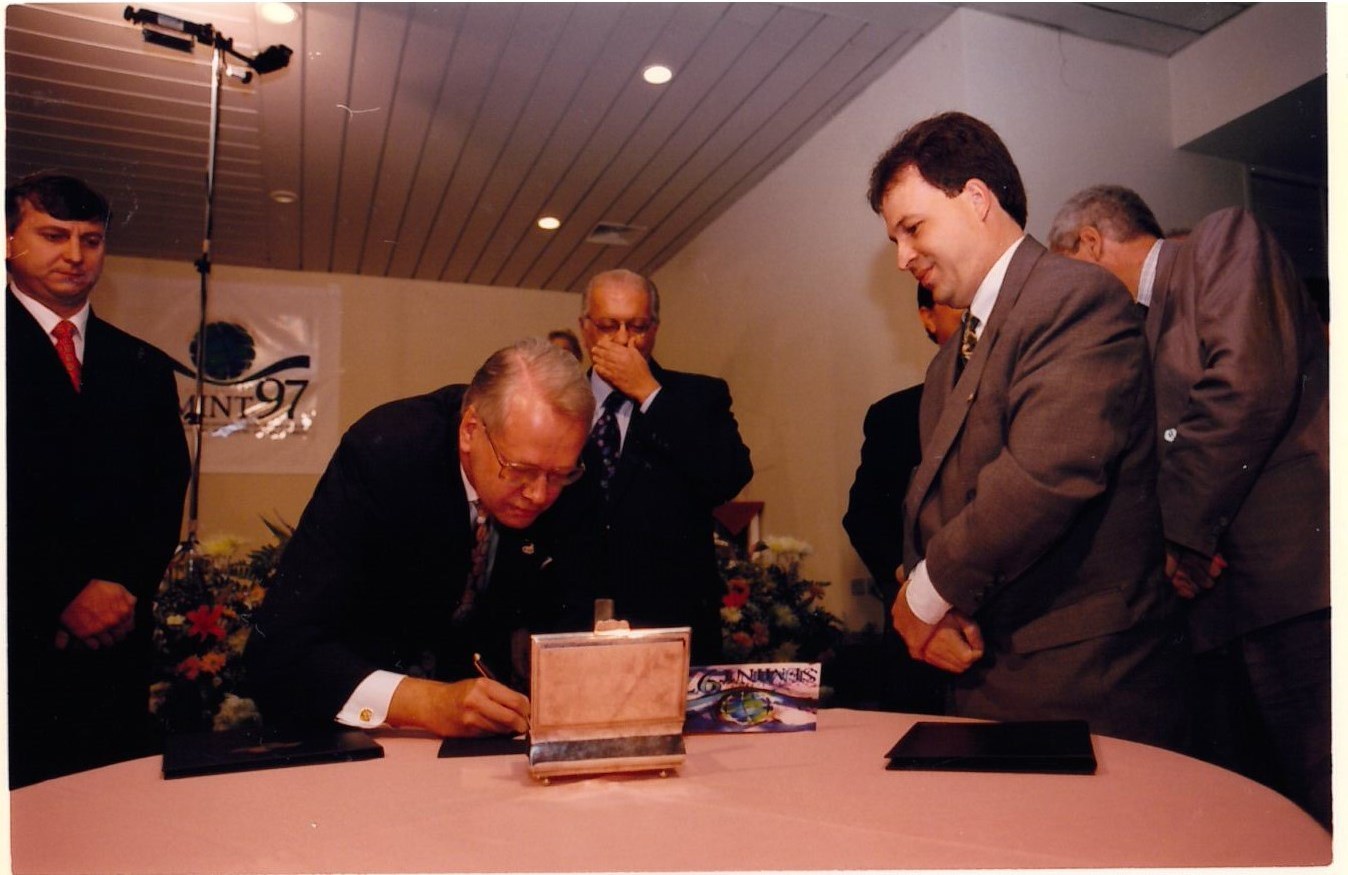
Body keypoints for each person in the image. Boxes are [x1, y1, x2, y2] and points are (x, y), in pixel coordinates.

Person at [867, 112, 1187, 749]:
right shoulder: (946, 363)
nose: (902, 258)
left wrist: (922, 600)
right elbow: (935, 503)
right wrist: (923, 602)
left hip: (1082, 684)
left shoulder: (1076, 297)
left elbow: (1044, 478)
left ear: (976, 197)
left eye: (912, 228)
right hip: (985, 675)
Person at [1048, 185, 1330, 827]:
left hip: (1296, 588)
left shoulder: (1221, 242)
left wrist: (1178, 536)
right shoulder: (1133, 331)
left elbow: (1245, 386)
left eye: (1069, 271)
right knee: (1263, 826)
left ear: (1089, 243)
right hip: (1217, 613)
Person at [244, 338, 593, 738]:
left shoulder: (565, 466)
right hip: (361, 731)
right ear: (470, 430)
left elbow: (567, 613)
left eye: (558, 475)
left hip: (487, 741)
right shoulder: (388, 453)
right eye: (519, 470)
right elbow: (280, 648)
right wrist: (426, 703)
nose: (539, 494)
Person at [6, 173, 190, 787]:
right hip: (17, 636)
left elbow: (165, 487)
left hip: (114, 641)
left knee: (110, 802)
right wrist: (62, 593)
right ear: (8, 241)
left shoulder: (141, 364)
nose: (75, 255)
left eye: (91, 239)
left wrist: (120, 584)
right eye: (53, 235)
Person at [542, 269, 753, 664]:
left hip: (669, 625)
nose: (624, 339)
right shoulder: (555, 403)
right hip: (568, 622)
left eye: (637, 326)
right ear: (585, 328)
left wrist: (650, 395)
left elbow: (728, 476)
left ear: (654, 328)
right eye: (608, 326)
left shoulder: (699, 395)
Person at [843, 285, 960, 713]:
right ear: (927, 316)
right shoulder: (895, 415)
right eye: (959, 307)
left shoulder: (1024, 403)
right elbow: (864, 517)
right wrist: (912, 582)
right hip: (917, 631)